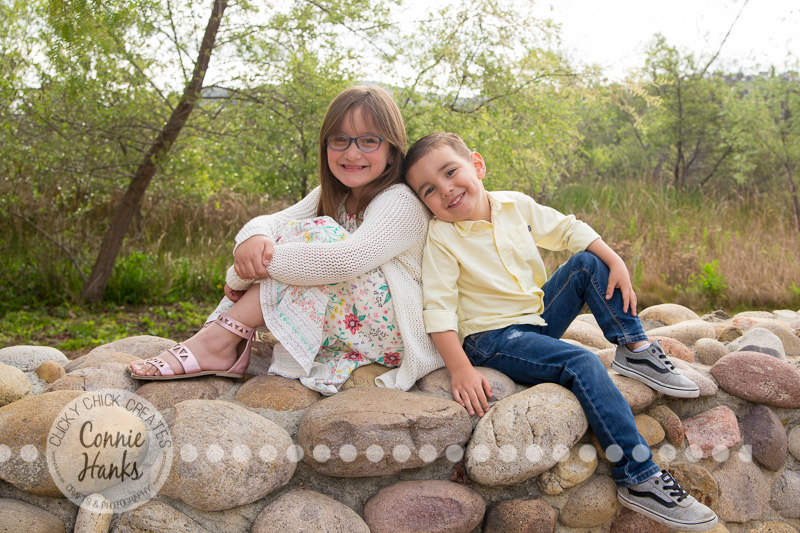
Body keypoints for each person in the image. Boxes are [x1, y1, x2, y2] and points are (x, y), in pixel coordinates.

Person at [402, 132, 718, 532]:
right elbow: (438, 309)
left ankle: (635, 348)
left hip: (535, 320)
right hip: (491, 339)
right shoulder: (442, 238)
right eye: (429, 189)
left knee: (587, 262)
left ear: (477, 165)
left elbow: (568, 229)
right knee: (581, 361)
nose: (445, 189)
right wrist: (460, 368)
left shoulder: (514, 205)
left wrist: (615, 259)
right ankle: (638, 476)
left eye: (450, 172)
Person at [129, 86, 444, 395]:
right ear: (325, 145)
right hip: (359, 323)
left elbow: (345, 261)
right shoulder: (334, 195)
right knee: (290, 236)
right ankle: (220, 340)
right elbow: (272, 222)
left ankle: (219, 341)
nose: (351, 153)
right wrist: (254, 238)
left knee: (317, 236)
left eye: (368, 141)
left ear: (392, 152)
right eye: (339, 139)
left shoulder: (400, 201)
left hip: (400, 332)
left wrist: (242, 276)